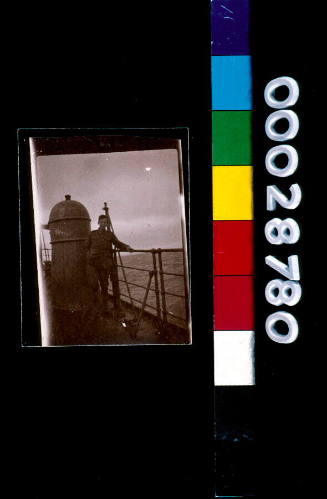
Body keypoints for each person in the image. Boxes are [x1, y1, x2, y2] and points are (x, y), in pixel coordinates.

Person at [86, 215, 133, 317]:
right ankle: (94, 306)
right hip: (93, 264)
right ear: (98, 222)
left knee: (104, 286)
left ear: (107, 224)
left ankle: (105, 309)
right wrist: (90, 256)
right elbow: (86, 247)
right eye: (102, 222)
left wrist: (127, 247)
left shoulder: (109, 234)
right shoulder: (92, 234)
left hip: (104, 264)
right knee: (93, 285)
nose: (104, 224)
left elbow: (117, 243)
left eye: (105, 222)